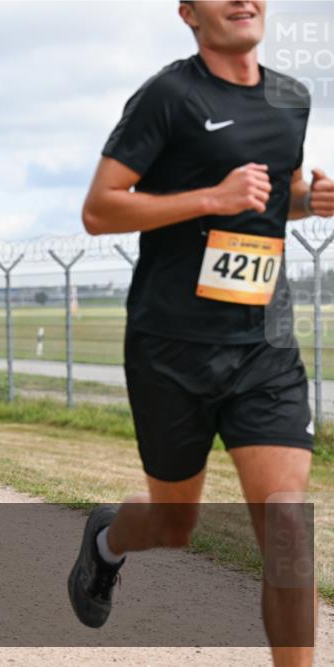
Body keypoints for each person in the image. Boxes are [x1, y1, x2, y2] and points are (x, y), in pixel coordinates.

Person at [71, 2, 332, 665]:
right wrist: (210, 198)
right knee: (173, 522)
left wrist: (311, 201)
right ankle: (106, 541)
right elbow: (100, 209)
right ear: (189, 12)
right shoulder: (169, 95)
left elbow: (280, 196)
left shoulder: (290, 99)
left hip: (265, 344)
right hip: (171, 345)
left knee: (287, 526)